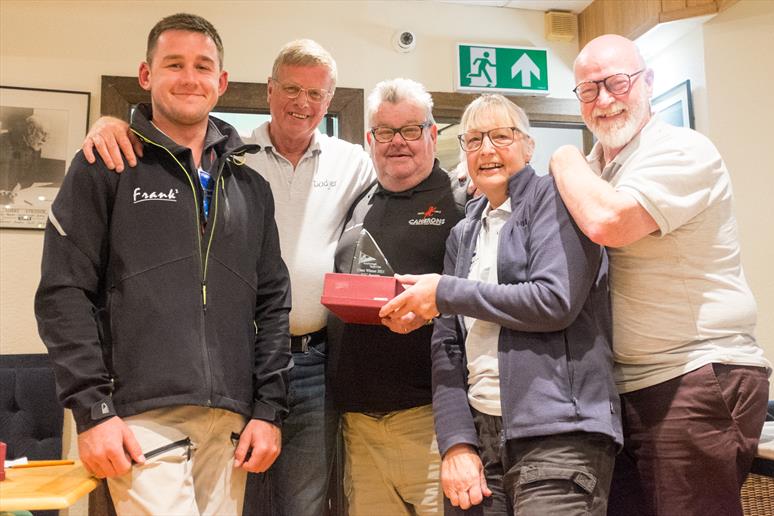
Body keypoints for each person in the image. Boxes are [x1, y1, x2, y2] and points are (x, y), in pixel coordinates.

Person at [80, 39, 375, 515]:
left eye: (316, 95)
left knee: (306, 501)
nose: (303, 103)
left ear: (329, 100)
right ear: (269, 90)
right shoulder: (231, 157)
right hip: (233, 365)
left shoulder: (354, 162)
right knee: (244, 501)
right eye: (292, 89)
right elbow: (169, 133)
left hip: (317, 360)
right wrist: (112, 124)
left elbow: (413, 172)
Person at [34, 13, 291, 515]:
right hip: (137, 420)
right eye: (174, 64)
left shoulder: (251, 188)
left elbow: (273, 304)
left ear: (221, 82)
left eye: (202, 66)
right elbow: (64, 293)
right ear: (146, 75)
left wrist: (269, 411)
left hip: (231, 424)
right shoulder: (106, 165)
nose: (189, 77)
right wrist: (93, 411)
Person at [549, 34, 771, 516]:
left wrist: (561, 156)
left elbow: (611, 223)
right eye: (588, 90)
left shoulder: (682, 150)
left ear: (648, 82)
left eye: (617, 83)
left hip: (693, 377)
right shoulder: (596, 170)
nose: (604, 100)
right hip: (622, 389)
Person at [380, 93, 622, 515]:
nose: (487, 149)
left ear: (528, 146)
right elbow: (446, 346)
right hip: (480, 438)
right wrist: (456, 443)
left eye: (500, 136)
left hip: (558, 435)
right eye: (473, 140)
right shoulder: (464, 232)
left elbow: (553, 300)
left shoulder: (555, 199)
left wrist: (443, 292)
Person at [328, 78, 466, 515]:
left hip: (430, 421)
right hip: (357, 422)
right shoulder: (357, 203)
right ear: (370, 139)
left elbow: (482, 304)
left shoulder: (463, 201)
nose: (397, 143)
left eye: (410, 129)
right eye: (385, 132)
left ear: (432, 134)